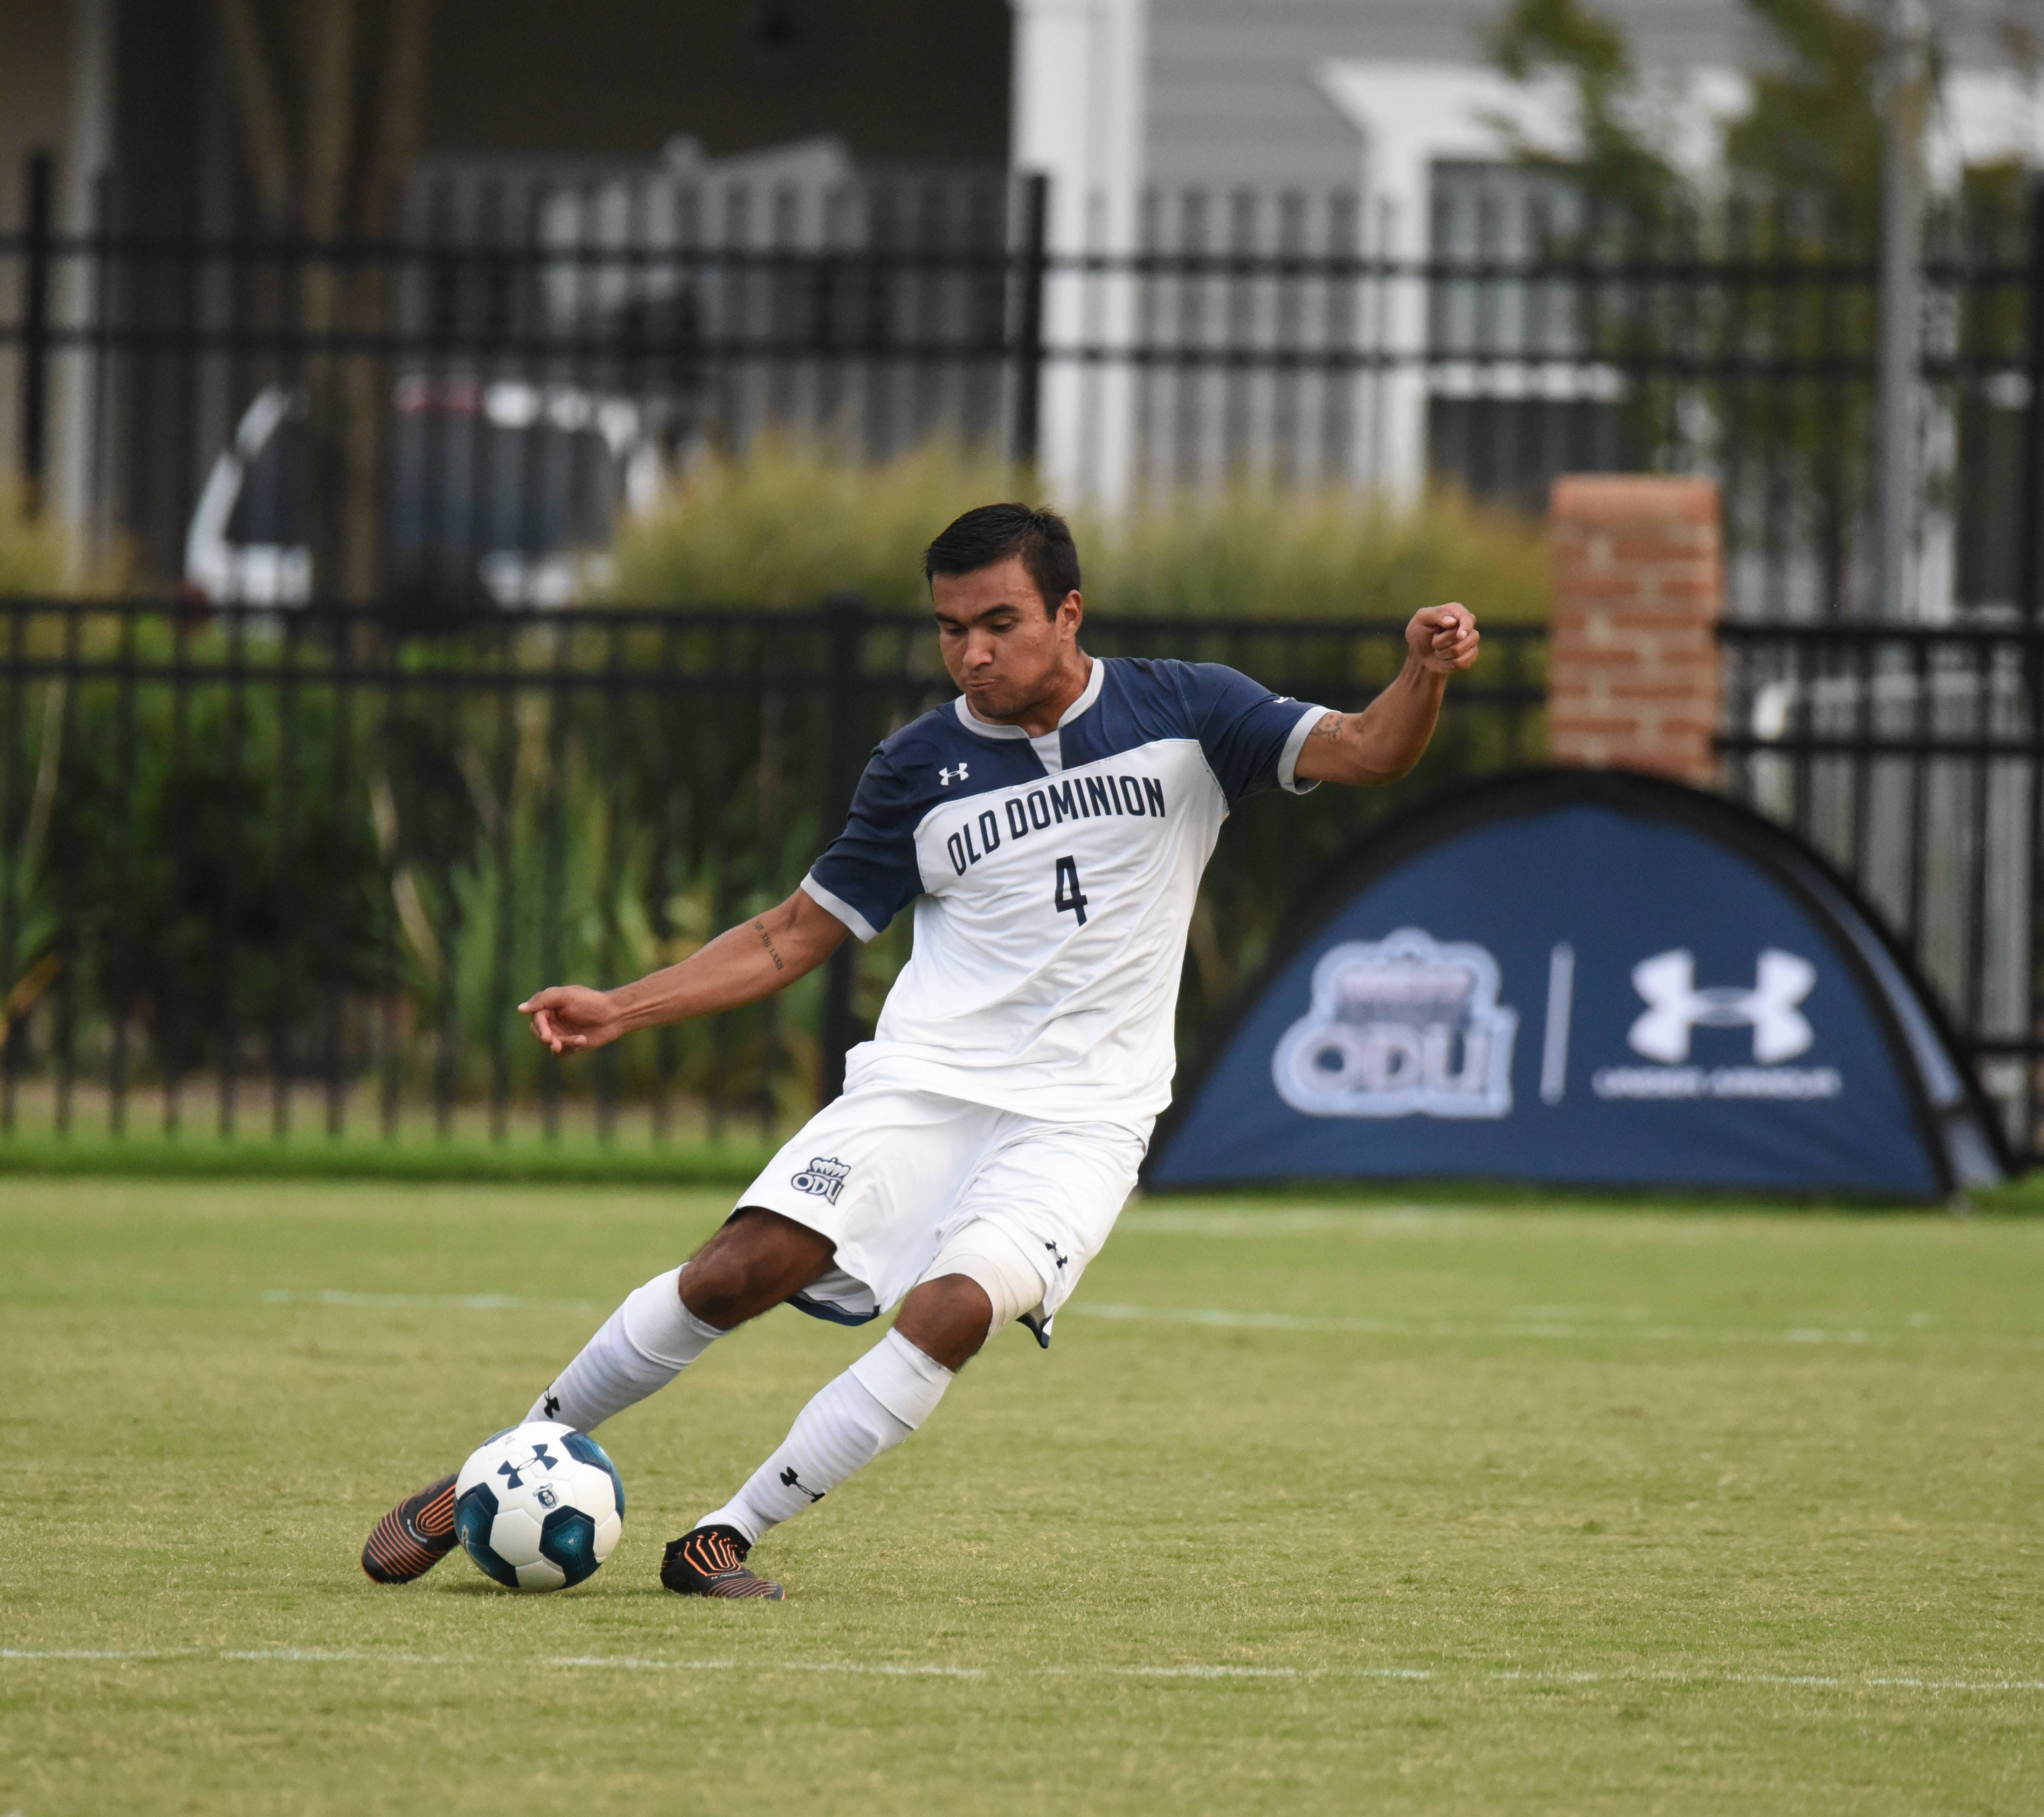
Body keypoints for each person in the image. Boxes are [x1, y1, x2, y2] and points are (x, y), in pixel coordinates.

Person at [359, 502, 1479, 1599]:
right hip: (925, 1087)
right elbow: (790, 937)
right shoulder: (918, 766)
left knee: (953, 1312)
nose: (972, 653)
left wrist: (1422, 671)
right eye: (951, 629)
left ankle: (727, 1534)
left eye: (999, 622)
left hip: (1087, 1117)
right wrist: (625, 1008)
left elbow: (1371, 752)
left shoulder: (1193, 710)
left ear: (1069, 613)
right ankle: (484, 1477)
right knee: (735, 1271)